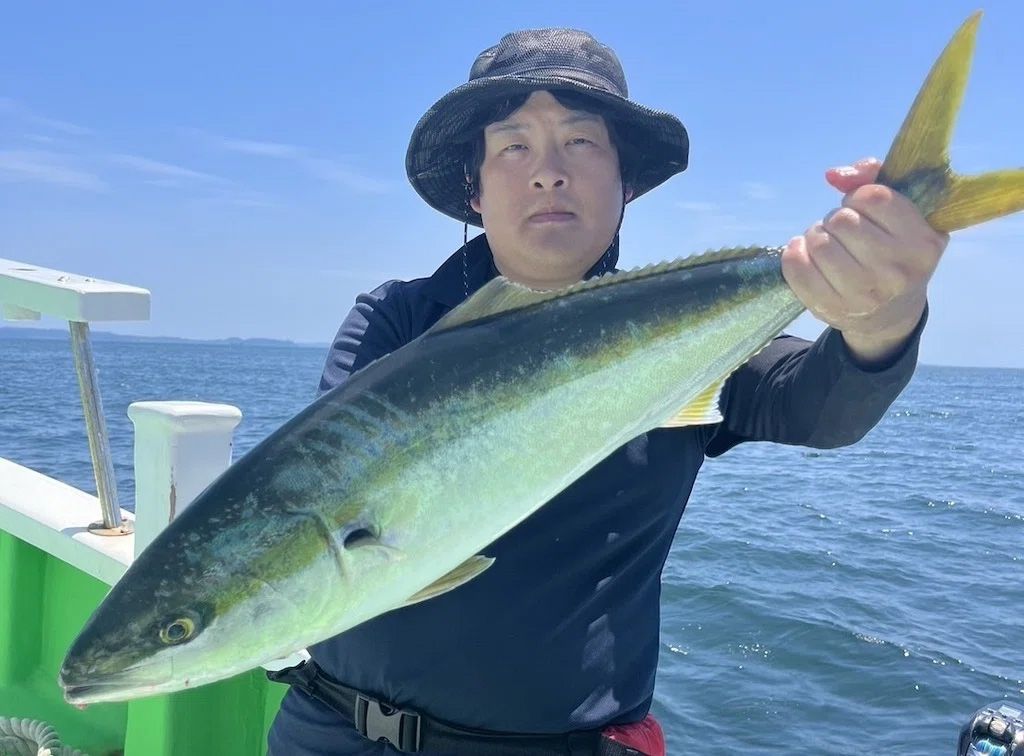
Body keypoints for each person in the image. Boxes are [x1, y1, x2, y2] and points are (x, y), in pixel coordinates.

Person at [267, 27, 943, 756]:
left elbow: (818, 403)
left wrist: (885, 312)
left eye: (581, 142)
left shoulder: (685, 333)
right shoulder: (395, 321)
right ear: (476, 186)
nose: (547, 172)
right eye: (513, 146)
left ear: (625, 183)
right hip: (331, 730)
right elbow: (324, 496)